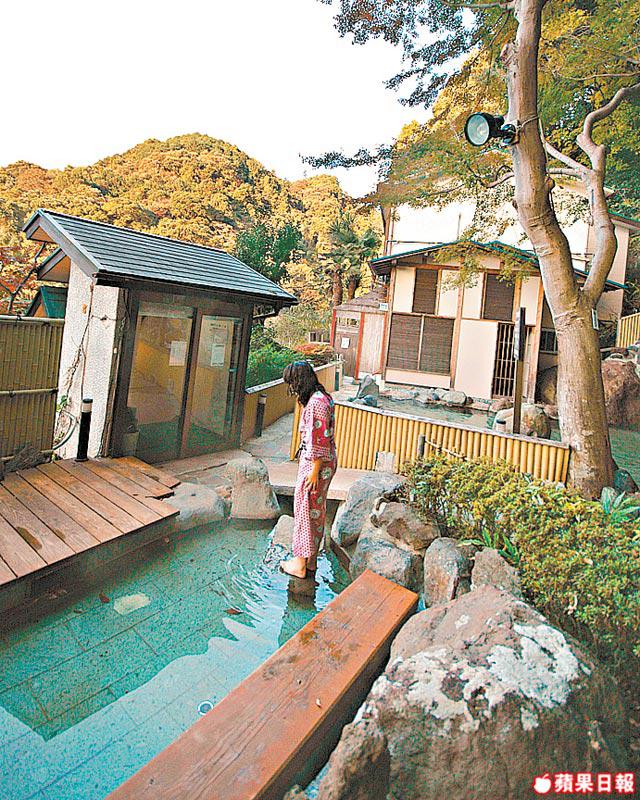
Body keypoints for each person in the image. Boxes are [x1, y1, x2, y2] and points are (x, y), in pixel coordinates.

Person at [280, 360, 337, 579]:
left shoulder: (315, 403)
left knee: (304, 509)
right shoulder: (324, 397)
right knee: (316, 510)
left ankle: (299, 564)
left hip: (316, 465)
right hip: (322, 463)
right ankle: (311, 560)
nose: (292, 388)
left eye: (292, 383)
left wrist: (314, 470)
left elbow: (318, 439)